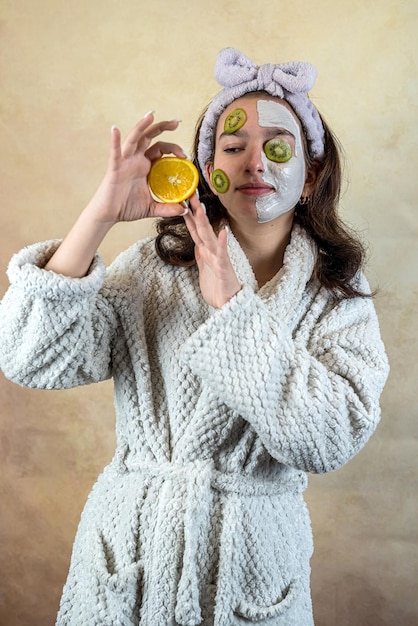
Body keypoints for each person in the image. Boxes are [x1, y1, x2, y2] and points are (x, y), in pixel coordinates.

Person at [0, 47, 389, 626]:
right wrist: (101, 214)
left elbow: (327, 440)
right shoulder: (156, 267)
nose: (254, 164)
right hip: (131, 551)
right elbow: (31, 357)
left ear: (310, 177)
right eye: (233, 148)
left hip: (251, 566)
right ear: (209, 172)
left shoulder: (335, 293)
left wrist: (232, 307)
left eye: (276, 149)